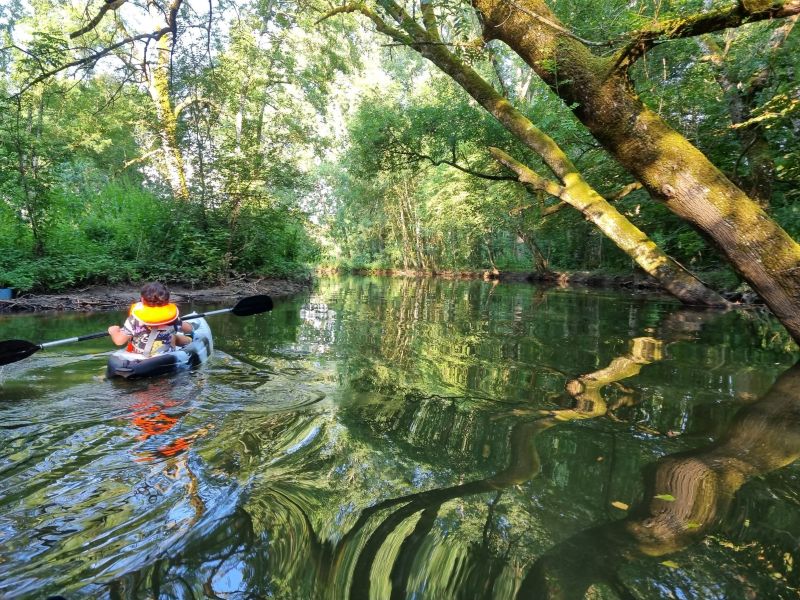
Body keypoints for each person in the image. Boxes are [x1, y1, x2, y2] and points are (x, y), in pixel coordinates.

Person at [108, 282, 194, 356]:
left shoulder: (134, 320)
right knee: (173, 337)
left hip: (139, 356)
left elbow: (119, 341)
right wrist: (189, 325)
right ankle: (190, 341)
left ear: (142, 299)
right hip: (165, 355)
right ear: (167, 300)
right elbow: (189, 329)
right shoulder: (172, 319)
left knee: (173, 337)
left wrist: (113, 331)